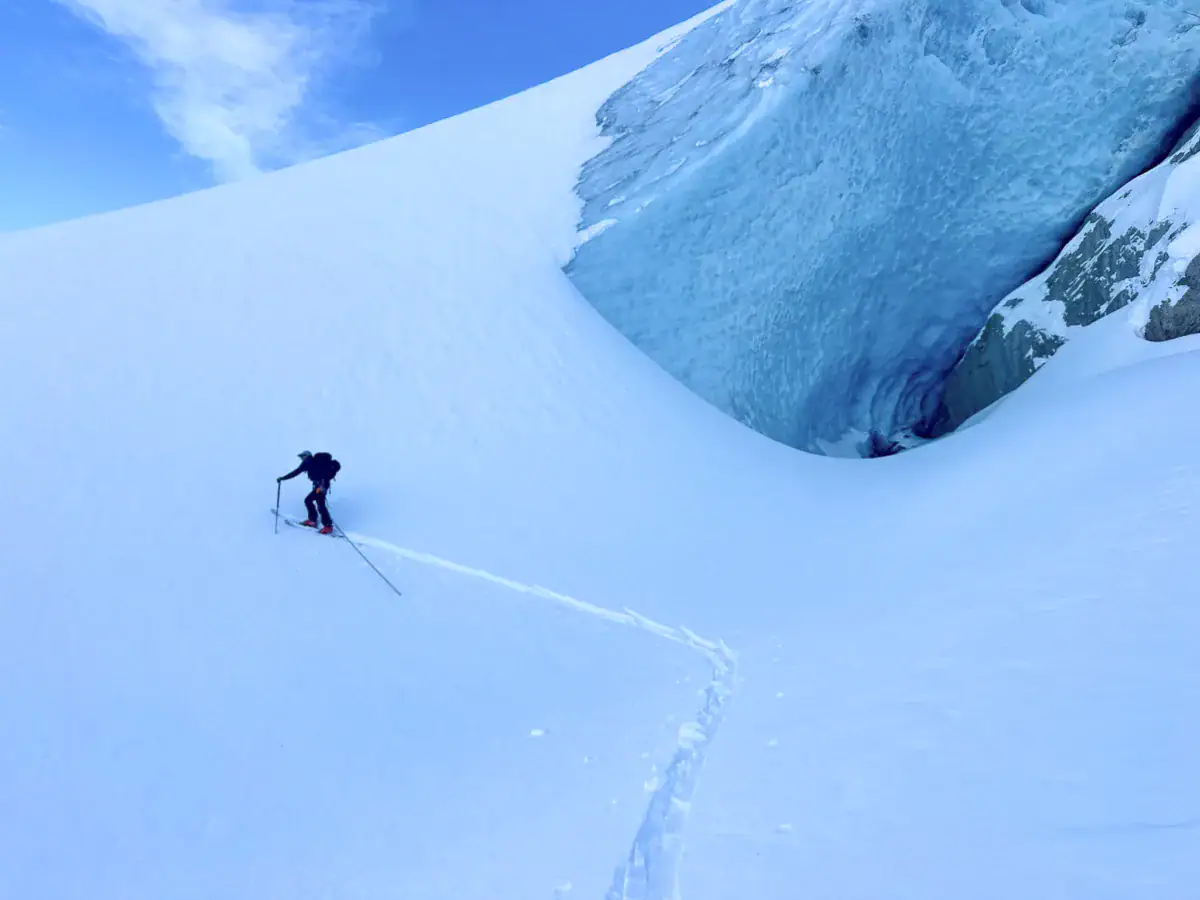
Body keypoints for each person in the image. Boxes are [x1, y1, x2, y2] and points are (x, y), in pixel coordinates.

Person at [277, 450, 341, 534]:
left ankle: (326, 525)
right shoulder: (311, 462)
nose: (301, 459)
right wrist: (283, 478)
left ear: (306, 456)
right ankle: (316, 521)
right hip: (321, 485)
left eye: (302, 457)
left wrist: (282, 478)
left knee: (313, 502)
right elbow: (296, 472)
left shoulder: (309, 462)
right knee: (314, 502)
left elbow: (295, 472)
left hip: (321, 485)